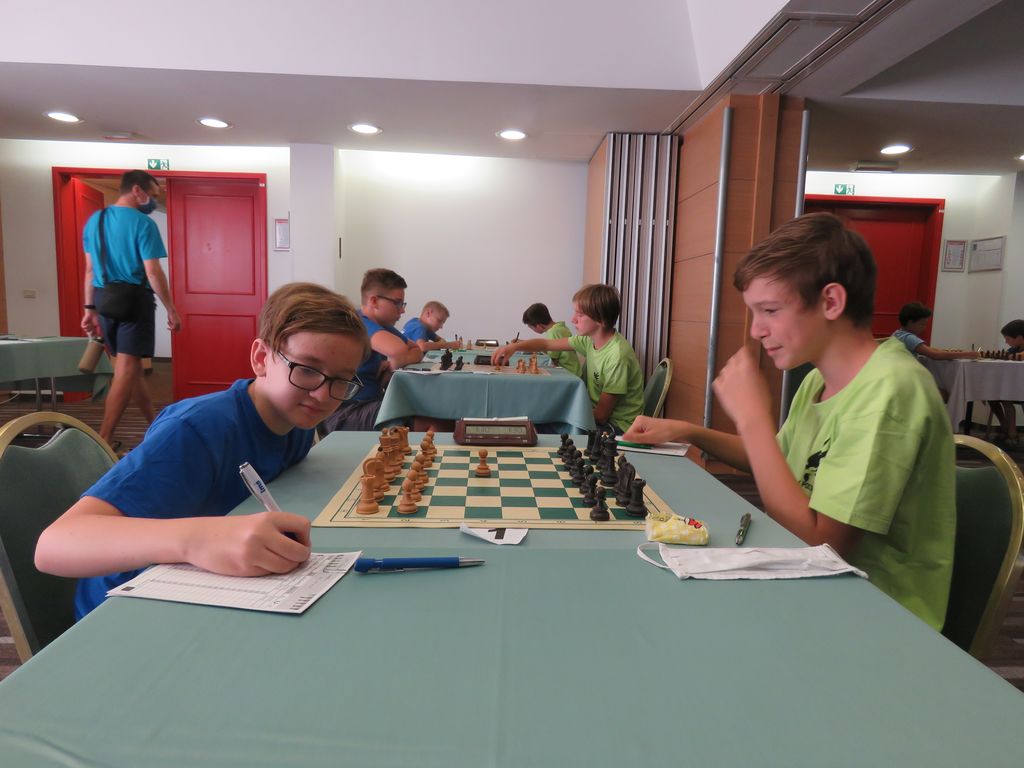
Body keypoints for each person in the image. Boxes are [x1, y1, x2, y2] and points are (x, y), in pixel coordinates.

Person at [623, 213, 954, 630]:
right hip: (807, 585)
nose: (757, 331)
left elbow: (821, 546)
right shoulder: (818, 379)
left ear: (831, 302)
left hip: (874, 616)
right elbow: (774, 461)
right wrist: (687, 431)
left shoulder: (890, 391)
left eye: (770, 310)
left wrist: (752, 417)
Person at [35, 282, 370, 618]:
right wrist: (198, 538)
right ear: (261, 359)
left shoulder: (297, 421)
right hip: (127, 608)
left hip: (214, 591)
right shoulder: (196, 430)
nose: (323, 395)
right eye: (307, 370)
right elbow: (54, 545)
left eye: (341, 380)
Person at [81, 170, 182, 449]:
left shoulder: (96, 220)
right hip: (134, 300)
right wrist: (171, 309)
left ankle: (154, 425)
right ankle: (103, 438)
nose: (153, 200)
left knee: (132, 369)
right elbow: (153, 271)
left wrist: (89, 308)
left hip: (104, 298)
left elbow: (90, 270)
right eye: (153, 194)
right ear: (137, 190)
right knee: (126, 369)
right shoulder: (143, 223)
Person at [493, 285, 643, 433]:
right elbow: (545, 344)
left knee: (536, 424)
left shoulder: (617, 356)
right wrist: (514, 347)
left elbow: (601, 416)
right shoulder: (588, 340)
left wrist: (559, 411)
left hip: (616, 427)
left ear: (601, 319)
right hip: (593, 414)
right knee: (534, 421)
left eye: (580, 315)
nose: (573, 319)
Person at [323, 268, 424, 431]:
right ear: (374, 301)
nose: (402, 310)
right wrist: (396, 360)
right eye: (398, 303)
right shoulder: (358, 323)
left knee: (424, 408)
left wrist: (393, 365)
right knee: (426, 418)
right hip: (347, 412)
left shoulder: (382, 326)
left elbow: (416, 349)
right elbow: (397, 350)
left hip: (370, 404)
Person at [892, 302, 978, 360]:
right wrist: (966, 354)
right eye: (922, 324)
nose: (924, 327)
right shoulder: (909, 338)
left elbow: (928, 349)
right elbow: (935, 355)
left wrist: (947, 351)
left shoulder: (898, 333)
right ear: (910, 322)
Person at [987, 318, 1024, 447]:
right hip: (1015, 387)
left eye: (1007, 338)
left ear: (1019, 337)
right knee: (992, 396)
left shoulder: (1016, 352)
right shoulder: (1014, 349)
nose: (1006, 341)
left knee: (1006, 396)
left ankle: (1012, 433)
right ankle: (1006, 427)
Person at [520, 302, 583, 377]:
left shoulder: (553, 332)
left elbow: (552, 360)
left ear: (539, 326)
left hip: (568, 373)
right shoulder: (560, 328)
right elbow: (548, 349)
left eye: (531, 327)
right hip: (575, 370)